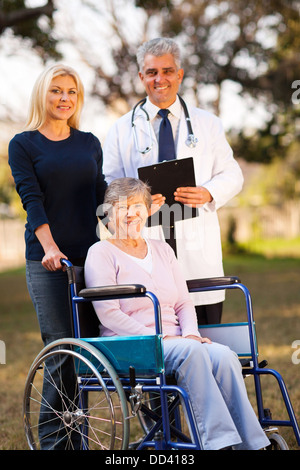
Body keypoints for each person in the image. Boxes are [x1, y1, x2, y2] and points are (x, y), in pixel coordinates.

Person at [84, 177, 270, 450]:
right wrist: (159, 338)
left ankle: (252, 444)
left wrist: (192, 334)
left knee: (224, 356)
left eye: (138, 206)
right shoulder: (101, 252)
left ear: (148, 211)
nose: (131, 213)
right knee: (191, 352)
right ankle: (218, 444)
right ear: (108, 213)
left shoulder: (162, 250)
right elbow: (108, 314)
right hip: (131, 345)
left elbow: (183, 302)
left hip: (177, 341)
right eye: (122, 207)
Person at [103, 37, 244, 325]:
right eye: (152, 72)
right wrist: (135, 203)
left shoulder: (208, 123)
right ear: (142, 76)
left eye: (167, 71)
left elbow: (233, 174)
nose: (160, 79)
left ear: (179, 74)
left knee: (205, 339)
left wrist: (207, 192)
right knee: (160, 334)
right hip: (146, 240)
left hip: (197, 247)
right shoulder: (120, 129)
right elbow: (110, 184)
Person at [8, 63, 107, 449]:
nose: (64, 98)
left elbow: (101, 196)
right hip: (49, 263)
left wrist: (135, 208)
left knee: (88, 354)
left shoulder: (89, 143)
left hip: (93, 260)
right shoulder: (24, 144)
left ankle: (77, 438)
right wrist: (50, 247)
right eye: (56, 91)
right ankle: (53, 443)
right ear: (42, 94)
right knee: (62, 352)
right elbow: (32, 201)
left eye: (71, 92)